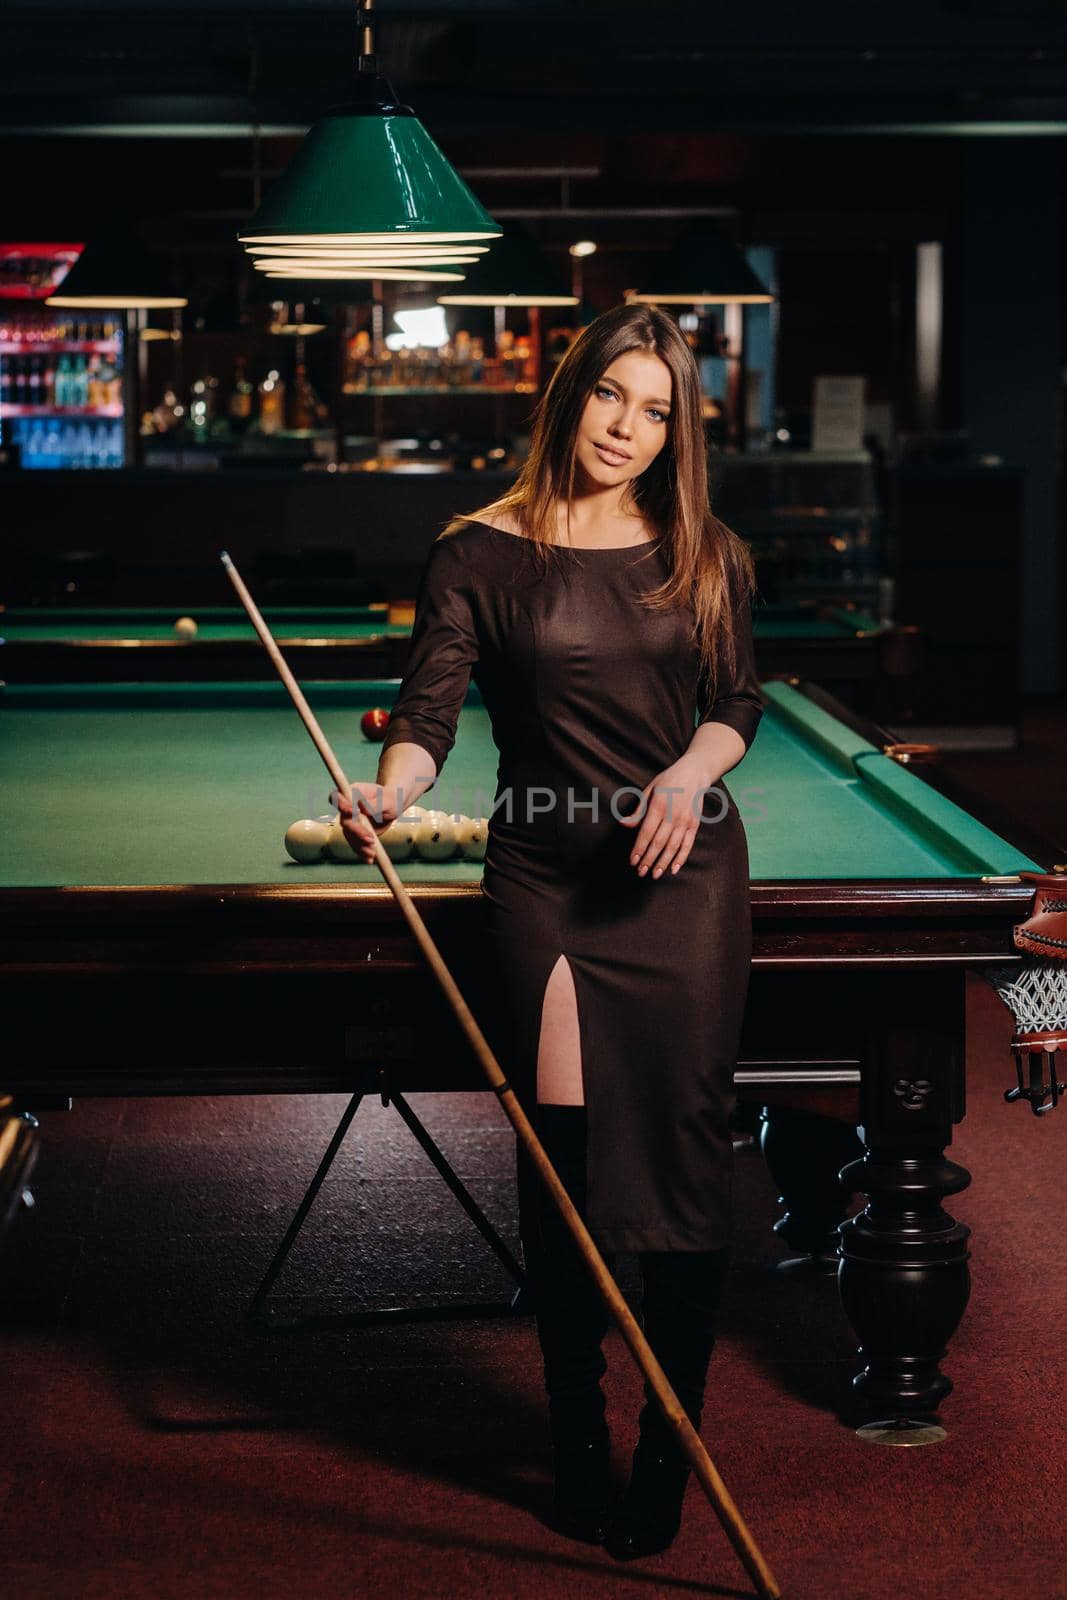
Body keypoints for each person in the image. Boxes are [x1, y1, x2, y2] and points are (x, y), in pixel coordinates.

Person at [336, 302, 763, 1559]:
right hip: (543, 877)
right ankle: (575, 1417)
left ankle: (665, 1439)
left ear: (677, 430)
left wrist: (688, 774)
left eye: (655, 411)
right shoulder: (474, 550)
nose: (627, 430)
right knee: (564, 1160)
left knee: (682, 1155)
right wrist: (391, 790)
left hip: (677, 873)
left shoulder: (706, 550)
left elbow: (737, 697)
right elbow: (428, 712)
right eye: (608, 398)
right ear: (566, 392)